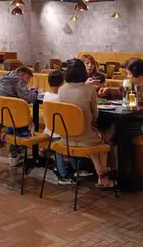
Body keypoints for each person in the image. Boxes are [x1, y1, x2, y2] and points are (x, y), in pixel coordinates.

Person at [57, 59, 112, 188]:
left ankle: (102, 177)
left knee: (94, 141)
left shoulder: (61, 90)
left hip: (65, 138)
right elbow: (95, 116)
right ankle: (103, 177)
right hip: (85, 139)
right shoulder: (89, 89)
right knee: (103, 143)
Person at [0, 66, 37, 166]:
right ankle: (16, 154)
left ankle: (14, 154)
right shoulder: (18, 80)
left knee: (17, 117)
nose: (27, 84)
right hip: (6, 117)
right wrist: (34, 90)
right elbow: (30, 98)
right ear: (25, 77)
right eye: (28, 81)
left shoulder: (5, 76)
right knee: (23, 120)